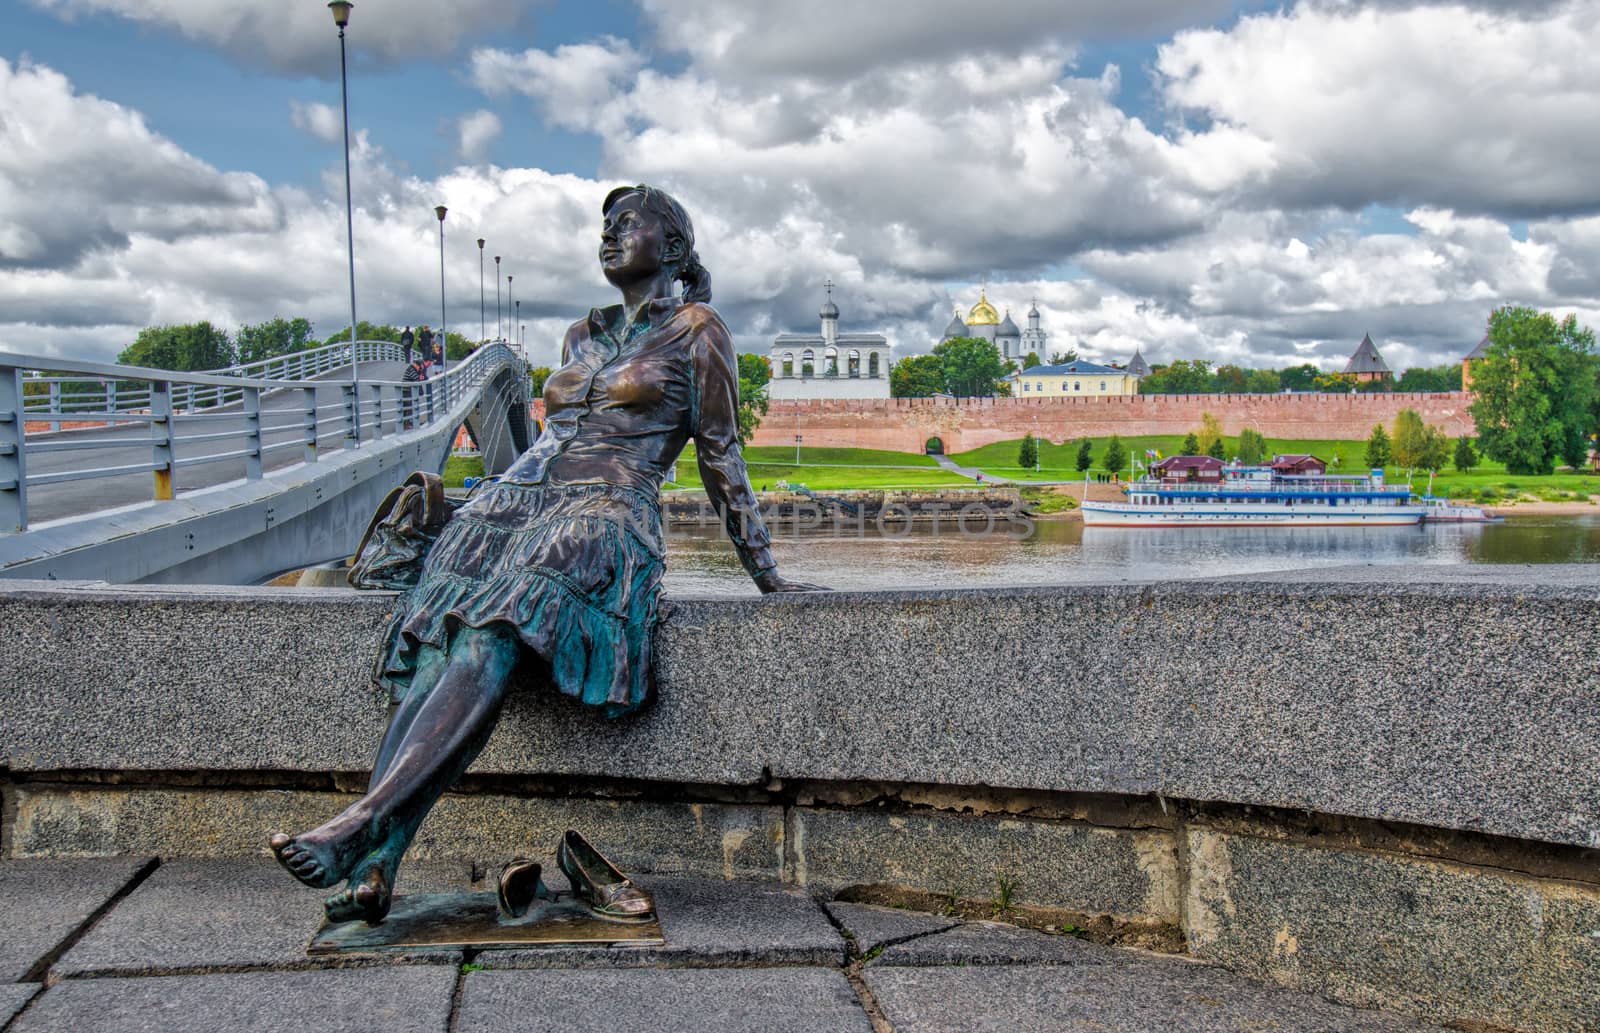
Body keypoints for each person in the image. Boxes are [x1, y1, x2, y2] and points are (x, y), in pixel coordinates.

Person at [270, 184, 822, 925]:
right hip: (515, 501)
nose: (610, 233)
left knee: (494, 627)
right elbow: (546, 439)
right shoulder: (578, 335)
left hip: (606, 515)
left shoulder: (698, 330)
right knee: (439, 640)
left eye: (629, 223)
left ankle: (363, 829)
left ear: (675, 247)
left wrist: (767, 574)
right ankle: (378, 867)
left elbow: (722, 457)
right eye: (605, 224)